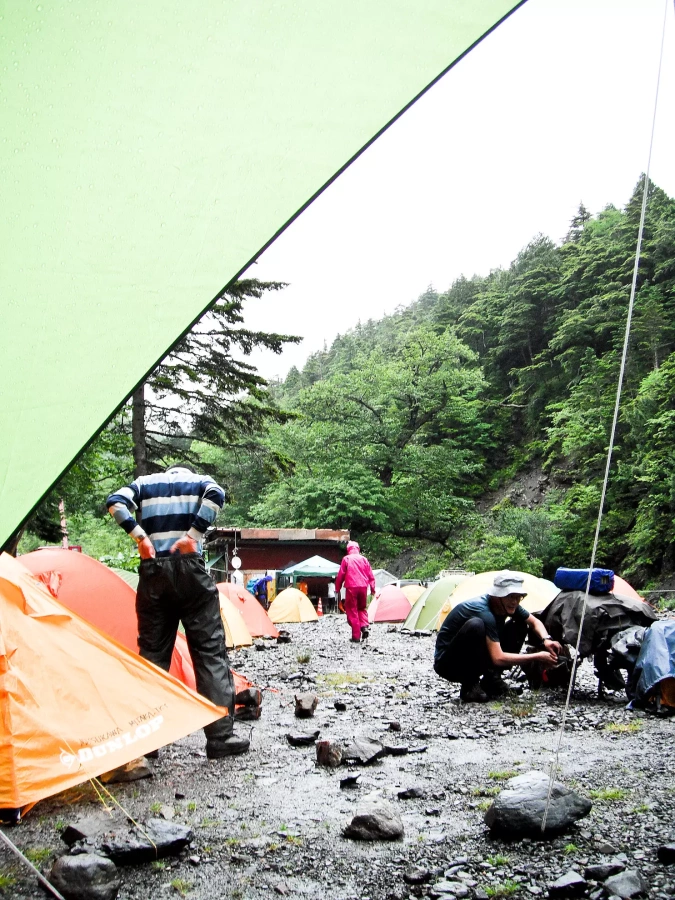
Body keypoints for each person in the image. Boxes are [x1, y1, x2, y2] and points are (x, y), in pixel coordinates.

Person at [106, 464, 249, 758]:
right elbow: (216, 494)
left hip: (154, 571)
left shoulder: (144, 484)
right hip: (190, 571)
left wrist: (140, 538)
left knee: (152, 655)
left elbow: (115, 502)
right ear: (184, 473)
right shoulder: (199, 482)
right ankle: (220, 738)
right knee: (209, 651)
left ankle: (147, 743)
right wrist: (193, 535)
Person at [434, 570, 562, 702]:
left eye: (519, 597)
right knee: (476, 625)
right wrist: (538, 657)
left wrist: (546, 639)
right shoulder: (483, 610)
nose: (515, 602)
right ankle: (470, 685)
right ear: (497, 596)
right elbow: (498, 658)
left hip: (473, 654)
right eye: (510, 596)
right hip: (448, 664)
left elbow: (534, 621)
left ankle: (492, 680)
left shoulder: (510, 606)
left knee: (520, 625)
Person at [335, 541, 376, 643]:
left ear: (348, 549)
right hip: (363, 587)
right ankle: (364, 626)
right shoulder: (364, 559)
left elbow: (340, 576)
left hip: (351, 587)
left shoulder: (346, 559)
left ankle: (356, 637)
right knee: (361, 608)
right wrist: (373, 589)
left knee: (352, 611)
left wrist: (337, 588)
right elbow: (371, 575)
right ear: (358, 549)